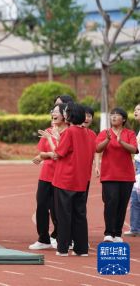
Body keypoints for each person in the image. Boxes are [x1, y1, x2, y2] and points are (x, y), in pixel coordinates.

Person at [49, 103, 96, 256]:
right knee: (80, 215)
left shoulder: (69, 132)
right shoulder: (91, 134)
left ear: (70, 115)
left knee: (63, 215)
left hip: (65, 179)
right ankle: (81, 249)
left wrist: (55, 139)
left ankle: (62, 248)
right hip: (82, 180)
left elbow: (58, 153)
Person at [96, 107, 139, 242]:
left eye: (117, 115)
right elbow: (97, 148)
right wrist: (107, 140)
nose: (114, 117)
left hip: (126, 176)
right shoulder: (105, 133)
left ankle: (118, 233)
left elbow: (134, 149)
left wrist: (121, 142)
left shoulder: (129, 133)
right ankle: (109, 232)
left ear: (124, 119)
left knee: (122, 204)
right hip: (109, 175)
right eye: (112, 115)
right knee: (111, 202)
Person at [29, 103, 67, 250]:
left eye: (57, 112)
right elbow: (42, 152)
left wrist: (47, 154)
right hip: (46, 175)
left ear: (65, 115)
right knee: (42, 206)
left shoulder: (69, 132)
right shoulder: (48, 131)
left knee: (58, 209)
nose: (53, 114)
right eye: (53, 111)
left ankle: (58, 236)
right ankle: (43, 238)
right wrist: (42, 156)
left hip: (61, 175)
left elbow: (58, 154)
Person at [125, 104, 140, 236]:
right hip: (138, 165)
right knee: (135, 198)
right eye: (134, 109)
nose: (135, 111)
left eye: (139, 110)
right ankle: (135, 227)